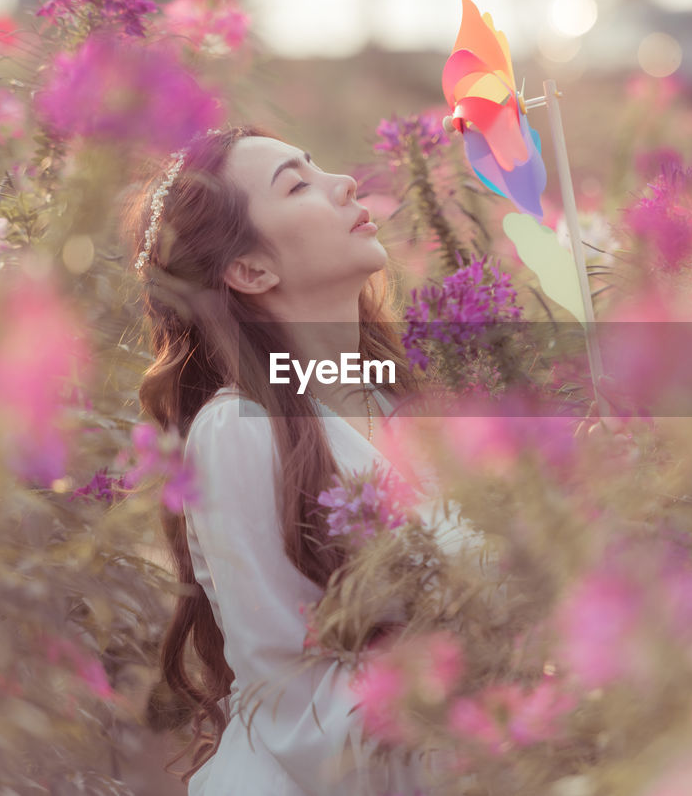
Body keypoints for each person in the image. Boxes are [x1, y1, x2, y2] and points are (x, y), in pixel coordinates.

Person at [122, 125, 459, 795]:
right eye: (298, 184)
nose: (345, 182)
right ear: (250, 270)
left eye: (317, 165)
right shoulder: (240, 430)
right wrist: (481, 681)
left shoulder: (401, 401)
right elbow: (296, 708)